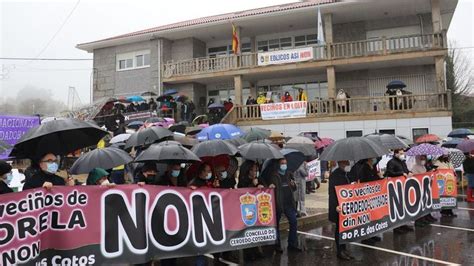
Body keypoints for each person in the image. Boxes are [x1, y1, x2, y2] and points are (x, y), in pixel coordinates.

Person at [260, 158, 301, 253]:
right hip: (278, 203)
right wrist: (270, 187)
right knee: (276, 224)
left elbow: (294, 188)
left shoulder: (289, 174)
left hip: (288, 203)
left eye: (285, 163)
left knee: (294, 221)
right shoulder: (273, 175)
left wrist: (293, 184)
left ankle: (292, 243)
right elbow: (268, 189)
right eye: (282, 163)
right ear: (278, 164)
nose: (284, 165)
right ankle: (277, 244)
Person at [329, 160, 355, 260]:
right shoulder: (335, 176)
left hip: (346, 205)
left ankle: (344, 249)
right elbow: (332, 193)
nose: (348, 165)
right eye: (346, 164)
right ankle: (340, 251)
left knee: (345, 228)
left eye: (348, 164)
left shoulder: (346, 174)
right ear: (340, 164)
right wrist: (335, 206)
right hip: (338, 206)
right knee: (339, 229)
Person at [385, 149, 414, 233]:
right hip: (395, 187)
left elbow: (406, 170)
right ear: (396, 153)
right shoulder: (391, 162)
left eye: (403, 153)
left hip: (403, 187)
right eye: (401, 153)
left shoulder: (402, 162)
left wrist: (410, 172)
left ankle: (403, 224)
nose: (403, 155)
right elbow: (389, 172)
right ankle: (396, 227)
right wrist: (401, 173)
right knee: (397, 207)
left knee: (403, 207)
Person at [357, 158, 383, 244]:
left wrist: (380, 178)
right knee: (367, 216)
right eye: (373, 158)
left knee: (373, 216)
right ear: (369, 159)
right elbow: (364, 181)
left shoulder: (373, 167)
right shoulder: (364, 168)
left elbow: (375, 178)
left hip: (373, 195)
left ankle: (372, 234)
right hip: (366, 195)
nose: (374, 159)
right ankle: (365, 237)